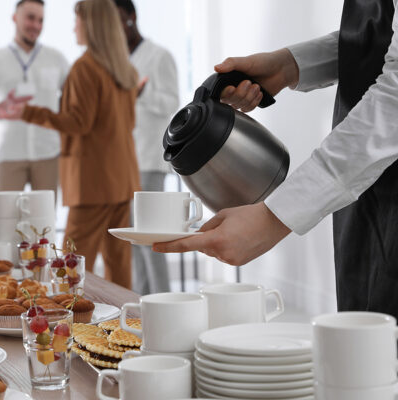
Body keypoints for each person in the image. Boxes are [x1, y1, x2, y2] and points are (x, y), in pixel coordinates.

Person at [154, 0, 398, 318]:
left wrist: (276, 216)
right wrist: (288, 65)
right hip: (364, 189)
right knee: (363, 338)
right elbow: (378, 36)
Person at [0, 0, 141, 289]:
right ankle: (126, 326)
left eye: (78, 21)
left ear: (92, 25)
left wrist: (28, 112)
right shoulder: (124, 69)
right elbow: (129, 122)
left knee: (70, 264)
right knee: (118, 263)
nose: (74, 26)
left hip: (93, 181)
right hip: (122, 178)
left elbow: (78, 123)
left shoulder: (86, 67)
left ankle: (68, 324)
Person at [114, 0, 180, 295]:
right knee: (134, 244)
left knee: (153, 243)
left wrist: (142, 92)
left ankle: (164, 303)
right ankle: (141, 308)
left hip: (149, 161)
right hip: (123, 161)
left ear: (131, 17)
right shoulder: (115, 60)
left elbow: (172, 103)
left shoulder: (159, 56)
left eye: (117, 20)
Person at [0, 0, 69, 193]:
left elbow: (71, 103)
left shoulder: (57, 59)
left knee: (45, 221)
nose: (36, 25)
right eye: (30, 18)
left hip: (48, 153)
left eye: (41, 20)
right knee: (7, 220)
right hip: (10, 154)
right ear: (14, 18)